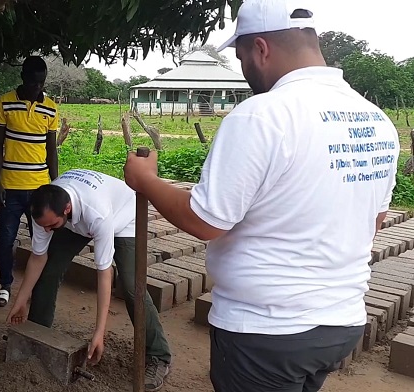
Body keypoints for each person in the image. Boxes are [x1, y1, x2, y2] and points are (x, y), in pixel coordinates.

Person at [123, 1, 400, 391]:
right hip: (341, 322)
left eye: (241, 57)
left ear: (260, 49)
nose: (244, 69)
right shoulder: (376, 119)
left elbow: (205, 221)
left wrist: (145, 180)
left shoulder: (262, 115)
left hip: (267, 331)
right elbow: (373, 222)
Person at [7, 169, 173, 392]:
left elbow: (104, 274)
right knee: (49, 268)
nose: (46, 230)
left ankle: (158, 356)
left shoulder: (98, 213)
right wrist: (21, 300)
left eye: (51, 225)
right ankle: (38, 336)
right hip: (76, 219)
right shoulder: (44, 210)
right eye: (43, 225)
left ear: (66, 209)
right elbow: (38, 258)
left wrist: (99, 333)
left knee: (133, 286)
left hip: (124, 216)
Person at [0, 56, 59, 307]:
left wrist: (56, 185)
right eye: (32, 82)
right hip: (10, 186)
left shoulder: (50, 108)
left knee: (40, 240)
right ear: (23, 78)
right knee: (6, 239)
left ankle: (37, 289)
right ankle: (5, 286)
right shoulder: (4, 104)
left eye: (41, 83)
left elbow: (51, 150)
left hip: (40, 188)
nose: (37, 88)